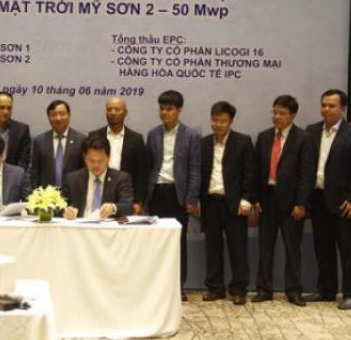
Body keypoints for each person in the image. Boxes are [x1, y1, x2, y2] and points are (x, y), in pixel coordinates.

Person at [304, 89, 351, 310]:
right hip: (318, 199)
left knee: (348, 251)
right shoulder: (312, 131)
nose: (326, 109)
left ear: (343, 109)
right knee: (323, 249)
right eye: (324, 105)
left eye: (332, 106)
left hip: (344, 203)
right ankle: (327, 290)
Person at [253, 95, 314, 307]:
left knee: (292, 248)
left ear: (293, 115)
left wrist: (301, 203)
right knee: (265, 248)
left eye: (282, 113)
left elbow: (307, 175)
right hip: (267, 199)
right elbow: (256, 170)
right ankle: (264, 289)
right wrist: (255, 199)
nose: (277, 117)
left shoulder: (303, 138)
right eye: (275, 112)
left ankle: (293, 291)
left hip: (291, 203)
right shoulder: (264, 137)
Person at [145, 90, 201, 301]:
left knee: (178, 243)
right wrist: (146, 197)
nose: (164, 113)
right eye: (162, 108)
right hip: (157, 193)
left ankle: (178, 286)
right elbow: (149, 166)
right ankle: (157, 287)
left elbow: (195, 170)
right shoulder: (153, 134)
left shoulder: (191, 136)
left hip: (178, 196)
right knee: (156, 242)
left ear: (179, 110)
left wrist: (191, 199)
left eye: (169, 109)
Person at [200, 101, 255, 305]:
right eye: (215, 120)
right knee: (212, 248)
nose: (218, 125)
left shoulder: (243, 142)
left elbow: (250, 174)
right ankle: (215, 288)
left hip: (234, 203)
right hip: (210, 202)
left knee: (238, 248)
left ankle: (239, 289)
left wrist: (247, 199)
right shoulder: (204, 143)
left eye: (222, 121)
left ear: (231, 122)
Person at [88, 96, 148, 214]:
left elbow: (141, 174)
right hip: (99, 192)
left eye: (117, 109)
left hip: (126, 194)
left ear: (125, 112)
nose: (113, 113)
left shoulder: (136, 139)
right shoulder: (94, 136)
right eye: (109, 109)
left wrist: (138, 202)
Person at [62, 136, 135, 220]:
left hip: (108, 226)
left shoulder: (121, 178)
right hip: (79, 225)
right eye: (91, 160)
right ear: (84, 157)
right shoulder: (72, 179)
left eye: (100, 161)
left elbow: (128, 207)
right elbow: (58, 206)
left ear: (108, 158)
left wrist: (113, 208)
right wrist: (66, 211)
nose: (96, 165)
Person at [29, 100, 85, 190]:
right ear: (48, 117)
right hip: (46, 194)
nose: (58, 118)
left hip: (73, 193)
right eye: (53, 115)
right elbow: (35, 172)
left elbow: (85, 171)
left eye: (62, 114)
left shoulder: (81, 140)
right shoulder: (40, 141)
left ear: (69, 115)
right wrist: (36, 192)